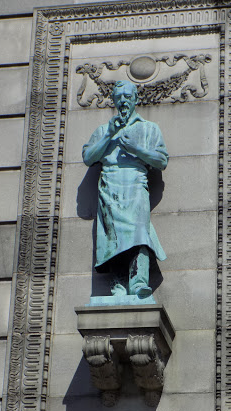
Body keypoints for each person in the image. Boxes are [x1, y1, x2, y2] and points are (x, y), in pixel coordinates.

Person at [82, 80, 168, 299]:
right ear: (114, 100)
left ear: (135, 99)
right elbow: (88, 157)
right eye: (119, 97)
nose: (123, 101)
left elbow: (161, 160)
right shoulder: (103, 130)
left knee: (139, 234)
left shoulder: (149, 128)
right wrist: (108, 136)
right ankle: (118, 285)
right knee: (113, 239)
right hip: (109, 189)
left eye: (127, 97)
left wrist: (136, 149)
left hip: (136, 186)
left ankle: (139, 283)